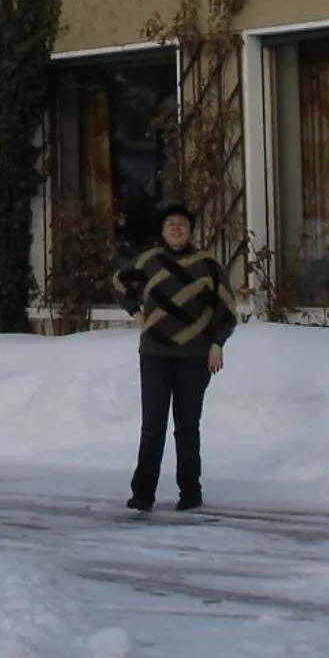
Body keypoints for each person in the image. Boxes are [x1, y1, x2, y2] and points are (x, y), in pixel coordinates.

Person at [111, 201, 238, 513]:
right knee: (152, 424)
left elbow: (227, 309)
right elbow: (118, 284)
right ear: (163, 231)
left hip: (195, 355)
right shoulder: (149, 261)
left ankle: (191, 493)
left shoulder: (207, 264)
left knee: (187, 426)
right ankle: (142, 494)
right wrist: (135, 313)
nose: (177, 230)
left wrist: (217, 343)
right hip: (155, 353)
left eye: (182, 224)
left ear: (190, 230)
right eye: (171, 225)